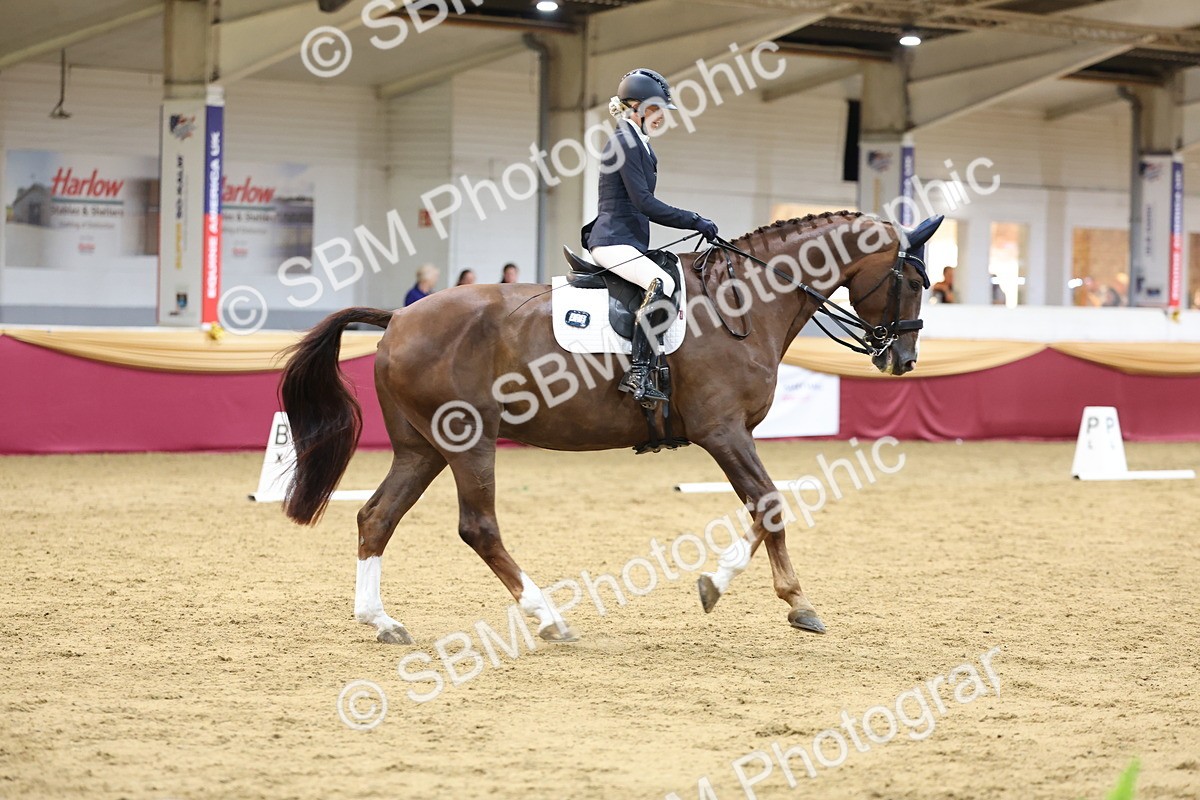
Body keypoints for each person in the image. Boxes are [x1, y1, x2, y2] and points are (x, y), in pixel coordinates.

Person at [581, 67, 719, 403]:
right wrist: (694, 220)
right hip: (612, 240)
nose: (660, 117)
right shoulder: (625, 141)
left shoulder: (637, 142)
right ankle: (639, 372)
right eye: (655, 109)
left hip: (626, 240)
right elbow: (645, 203)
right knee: (664, 285)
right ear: (635, 108)